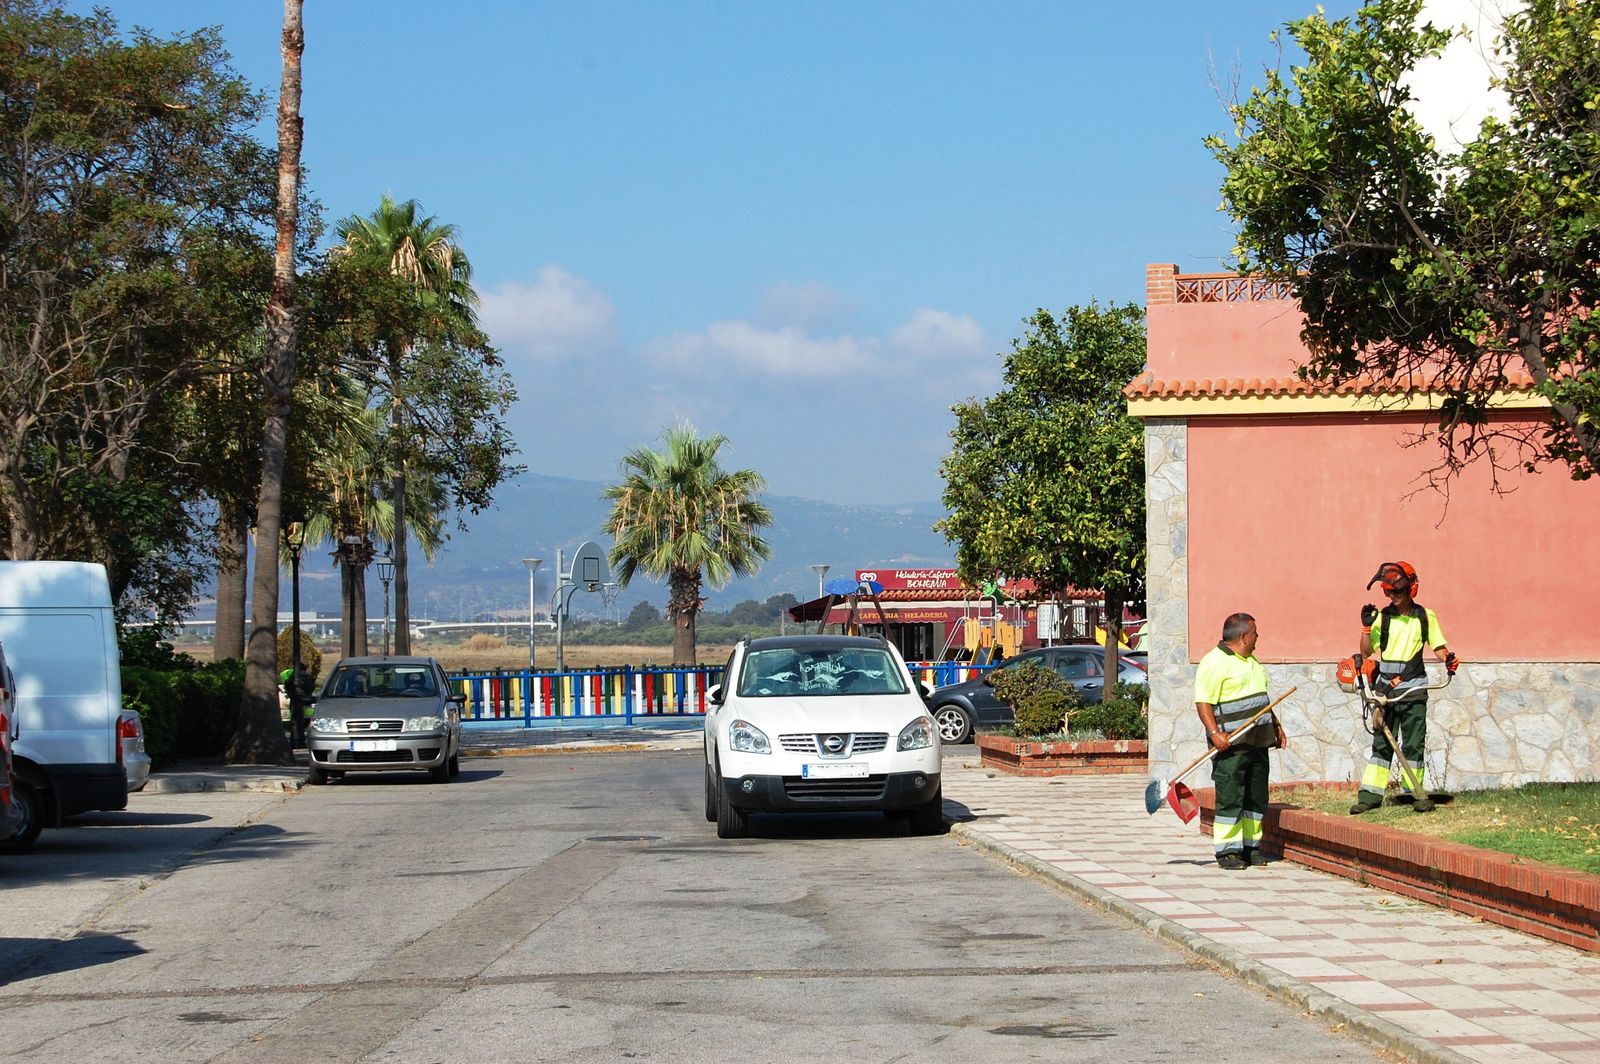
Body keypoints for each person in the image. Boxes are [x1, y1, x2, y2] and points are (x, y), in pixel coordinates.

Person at [1350, 561, 1459, 815]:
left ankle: (1413, 793)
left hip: (1414, 689)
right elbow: (1366, 652)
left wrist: (1449, 659)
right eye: (1388, 592)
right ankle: (1370, 796)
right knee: (1382, 746)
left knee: (1413, 743)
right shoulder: (1382, 619)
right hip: (1386, 692)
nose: (1391, 597)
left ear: (1411, 589)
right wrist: (1366, 628)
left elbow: (1439, 646)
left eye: (1396, 592)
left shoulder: (1425, 617)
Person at [1193, 613, 1287, 870]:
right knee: (1231, 796)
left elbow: (1262, 700)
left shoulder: (1252, 661)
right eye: (1256, 633)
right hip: (1231, 744)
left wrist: (1276, 727)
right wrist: (1214, 734)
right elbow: (1203, 702)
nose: (1259, 637)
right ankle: (1228, 852)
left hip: (1258, 741)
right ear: (1244, 635)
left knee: (1256, 797)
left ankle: (1251, 847)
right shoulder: (1213, 662)